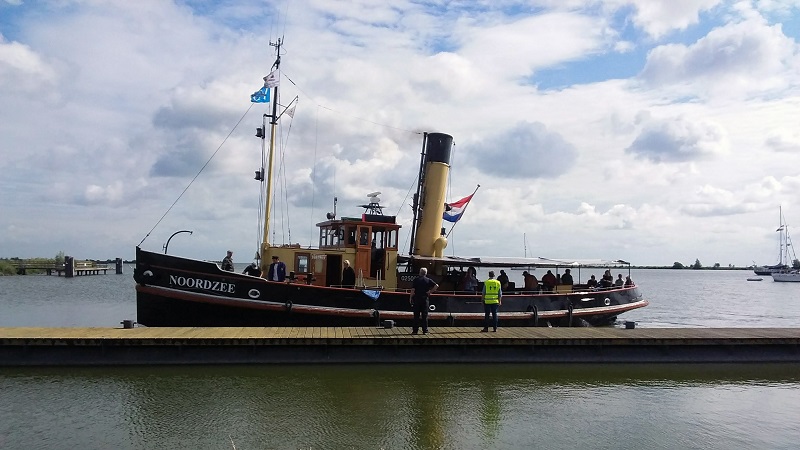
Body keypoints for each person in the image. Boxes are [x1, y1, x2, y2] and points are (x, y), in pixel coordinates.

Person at [410, 267, 438, 335]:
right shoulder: (428, 280)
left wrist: (410, 297)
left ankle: (415, 331)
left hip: (417, 299)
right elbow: (436, 285)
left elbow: (413, 290)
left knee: (416, 315)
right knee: (424, 315)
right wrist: (430, 291)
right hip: (425, 299)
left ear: (420, 272)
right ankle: (425, 330)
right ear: (426, 273)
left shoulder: (416, 280)